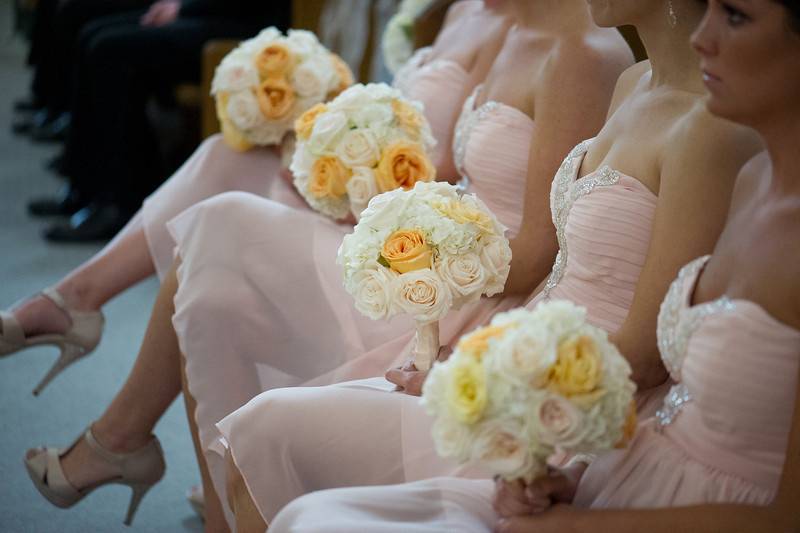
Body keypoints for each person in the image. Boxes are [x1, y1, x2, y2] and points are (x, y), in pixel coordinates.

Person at [218, 0, 765, 531]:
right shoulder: (634, 82)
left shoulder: (708, 129)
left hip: (564, 404)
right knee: (258, 430)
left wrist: (476, 381)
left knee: (268, 430)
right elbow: (560, 267)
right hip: (518, 345)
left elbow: (645, 357)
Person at [19, 1, 513, 529]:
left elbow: (457, 171)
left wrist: (366, 179)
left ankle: (113, 408)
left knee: (217, 227)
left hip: (432, 253)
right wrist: (334, 143)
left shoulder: (526, 33)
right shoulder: (460, 10)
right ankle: (199, 479)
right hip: (399, 212)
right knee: (213, 270)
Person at [30, 0, 292, 242]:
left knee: (108, 51)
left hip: (245, 24)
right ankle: (85, 188)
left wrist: (183, 8)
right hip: (213, 10)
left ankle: (122, 202)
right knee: (92, 33)